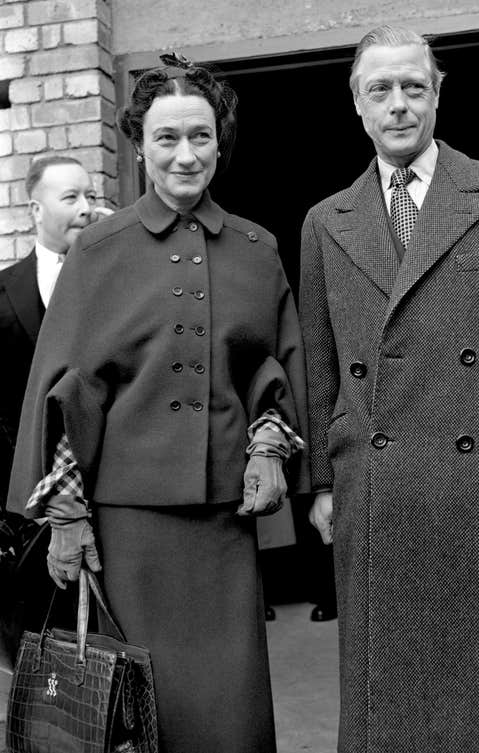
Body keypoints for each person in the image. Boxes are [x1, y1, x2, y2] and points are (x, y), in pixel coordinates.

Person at [7, 58, 308, 753]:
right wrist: (67, 519)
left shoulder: (257, 249)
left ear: (220, 141)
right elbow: (67, 389)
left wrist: (267, 446)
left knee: (229, 718)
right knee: (139, 721)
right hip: (124, 533)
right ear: (139, 144)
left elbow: (277, 367)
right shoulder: (99, 250)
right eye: (167, 138)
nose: (186, 154)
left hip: (224, 531)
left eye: (200, 137)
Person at [299, 25, 479, 753]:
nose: (399, 105)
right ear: (357, 105)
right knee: (395, 707)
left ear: (437, 95)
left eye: (413, 88)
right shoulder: (324, 222)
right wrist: (323, 480)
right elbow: (320, 363)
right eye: (380, 90)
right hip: (378, 481)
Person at [0, 156, 106, 511]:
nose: (86, 208)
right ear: (36, 210)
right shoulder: (3, 290)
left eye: (91, 196)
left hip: (109, 484)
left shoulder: (116, 280)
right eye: (71, 197)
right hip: (25, 495)